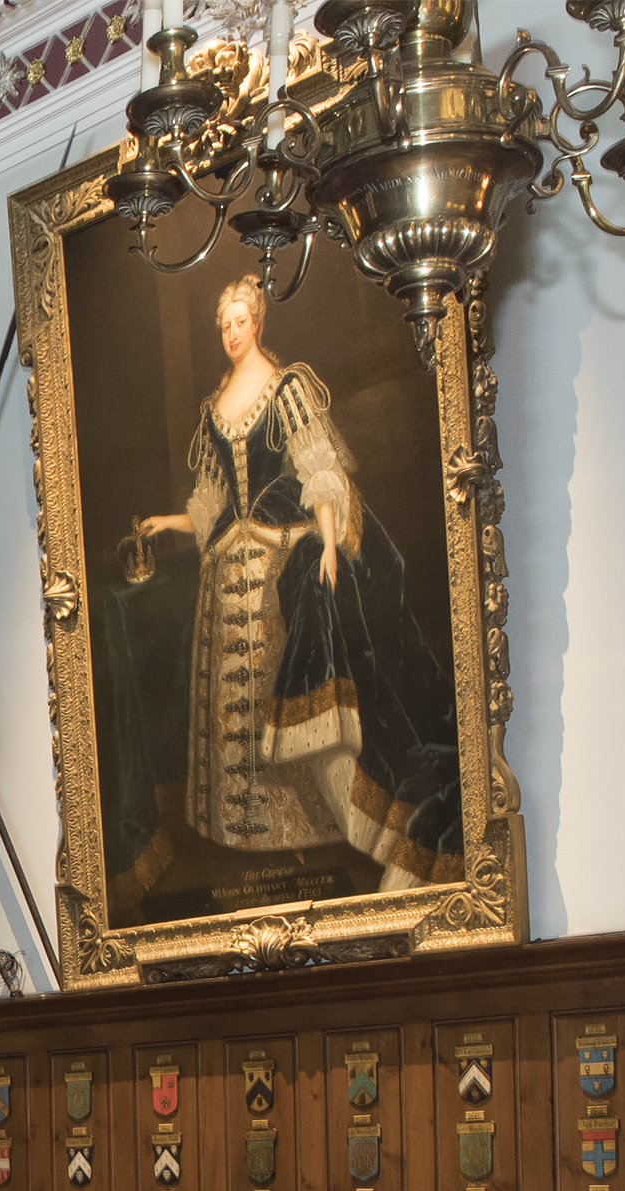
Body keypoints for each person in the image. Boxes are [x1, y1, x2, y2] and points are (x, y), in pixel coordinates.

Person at [132, 275, 452, 895]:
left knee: (283, 677)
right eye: (223, 324)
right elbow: (210, 505)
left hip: (278, 563)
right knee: (232, 704)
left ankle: (308, 830)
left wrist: (328, 542)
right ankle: (237, 836)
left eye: (240, 321)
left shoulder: (288, 388)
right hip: (225, 574)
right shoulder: (213, 405)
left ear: (258, 323)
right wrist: (167, 522)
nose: (231, 333)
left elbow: (320, 471)